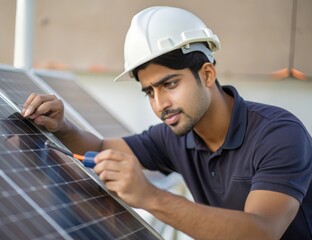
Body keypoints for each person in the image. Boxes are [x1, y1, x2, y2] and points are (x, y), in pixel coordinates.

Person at [22, 6, 312, 240]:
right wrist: (62, 126)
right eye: (150, 91)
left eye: (170, 83)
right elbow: (99, 147)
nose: (160, 105)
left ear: (208, 74)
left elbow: (262, 232)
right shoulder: (176, 134)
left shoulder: (279, 134)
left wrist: (150, 197)